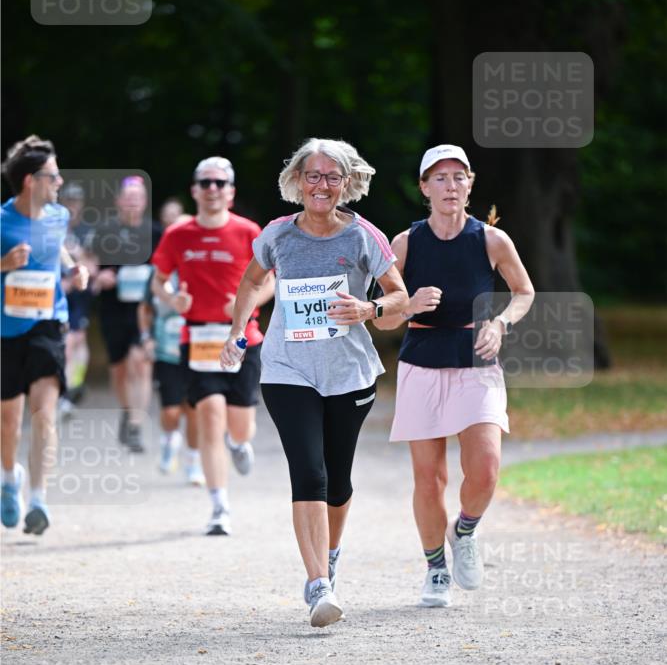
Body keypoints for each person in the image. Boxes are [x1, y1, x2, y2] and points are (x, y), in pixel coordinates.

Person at [220, 138, 409, 628]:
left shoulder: (364, 237)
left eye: (331, 177)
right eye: (313, 176)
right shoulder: (277, 235)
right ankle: (317, 584)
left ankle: (331, 551)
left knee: (338, 479)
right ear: (297, 182)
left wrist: (369, 309)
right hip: (288, 370)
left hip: (347, 372)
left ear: (346, 183)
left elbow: (399, 298)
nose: (321, 185)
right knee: (310, 472)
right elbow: (249, 282)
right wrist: (238, 332)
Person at [377, 144, 534, 608]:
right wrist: (406, 305)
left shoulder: (491, 240)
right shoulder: (403, 244)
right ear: (424, 187)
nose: (450, 186)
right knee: (430, 479)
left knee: (485, 470)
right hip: (421, 361)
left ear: (470, 184)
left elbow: (524, 292)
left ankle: (463, 531)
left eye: (458, 177)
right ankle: (435, 569)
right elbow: (378, 317)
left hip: (476, 359)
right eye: (439, 178)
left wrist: (500, 322)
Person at [151, 156, 274, 534]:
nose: (212, 189)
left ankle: (238, 444)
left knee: (240, 428)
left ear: (231, 192)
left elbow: (270, 282)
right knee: (208, 416)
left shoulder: (248, 231)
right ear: (194, 191)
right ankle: (219, 506)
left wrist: (245, 303)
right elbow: (159, 281)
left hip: (241, 336)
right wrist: (173, 300)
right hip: (198, 337)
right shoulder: (178, 233)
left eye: (220, 183)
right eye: (205, 182)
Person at [1, 135, 88, 534]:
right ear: (29, 181)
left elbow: (59, 249)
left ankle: (38, 498)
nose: (59, 182)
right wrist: (3, 264)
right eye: (52, 176)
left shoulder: (57, 216)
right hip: (7, 330)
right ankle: (8, 480)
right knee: (8, 418)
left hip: (48, 324)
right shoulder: (2, 221)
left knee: (44, 413)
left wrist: (74, 268)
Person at [90, 176, 161, 452]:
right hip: (113, 309)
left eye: (138, 197)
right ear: (119, 201)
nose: (132, 202)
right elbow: (89, 264)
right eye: (128, 197)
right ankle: (127, 410)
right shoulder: (105, 231)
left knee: (140, 364)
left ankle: (135, 425)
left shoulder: (156, 232)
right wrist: (100, 275)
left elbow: (168, 267)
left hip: (145, 310)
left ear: (144, 202)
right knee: (119, 371)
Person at [137, 266, 204, 483]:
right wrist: (146, 338)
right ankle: (169, 440)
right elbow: (145, 308)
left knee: (193, 410)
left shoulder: (201, 267)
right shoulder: (158, 273)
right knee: (171, 412)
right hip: (166, 353)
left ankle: (193, 463)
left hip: (197, 352)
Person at [59, 182, 97, 415]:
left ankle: (74, 386)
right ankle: (68, 389)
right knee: (67, 343)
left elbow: (93, 265)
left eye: (76, 202)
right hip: (58, 293)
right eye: (68, 201)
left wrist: (77, 257)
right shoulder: (54, 228)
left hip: (79, 293)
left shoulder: (87, 231)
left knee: (77, 340)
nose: (72, 206)